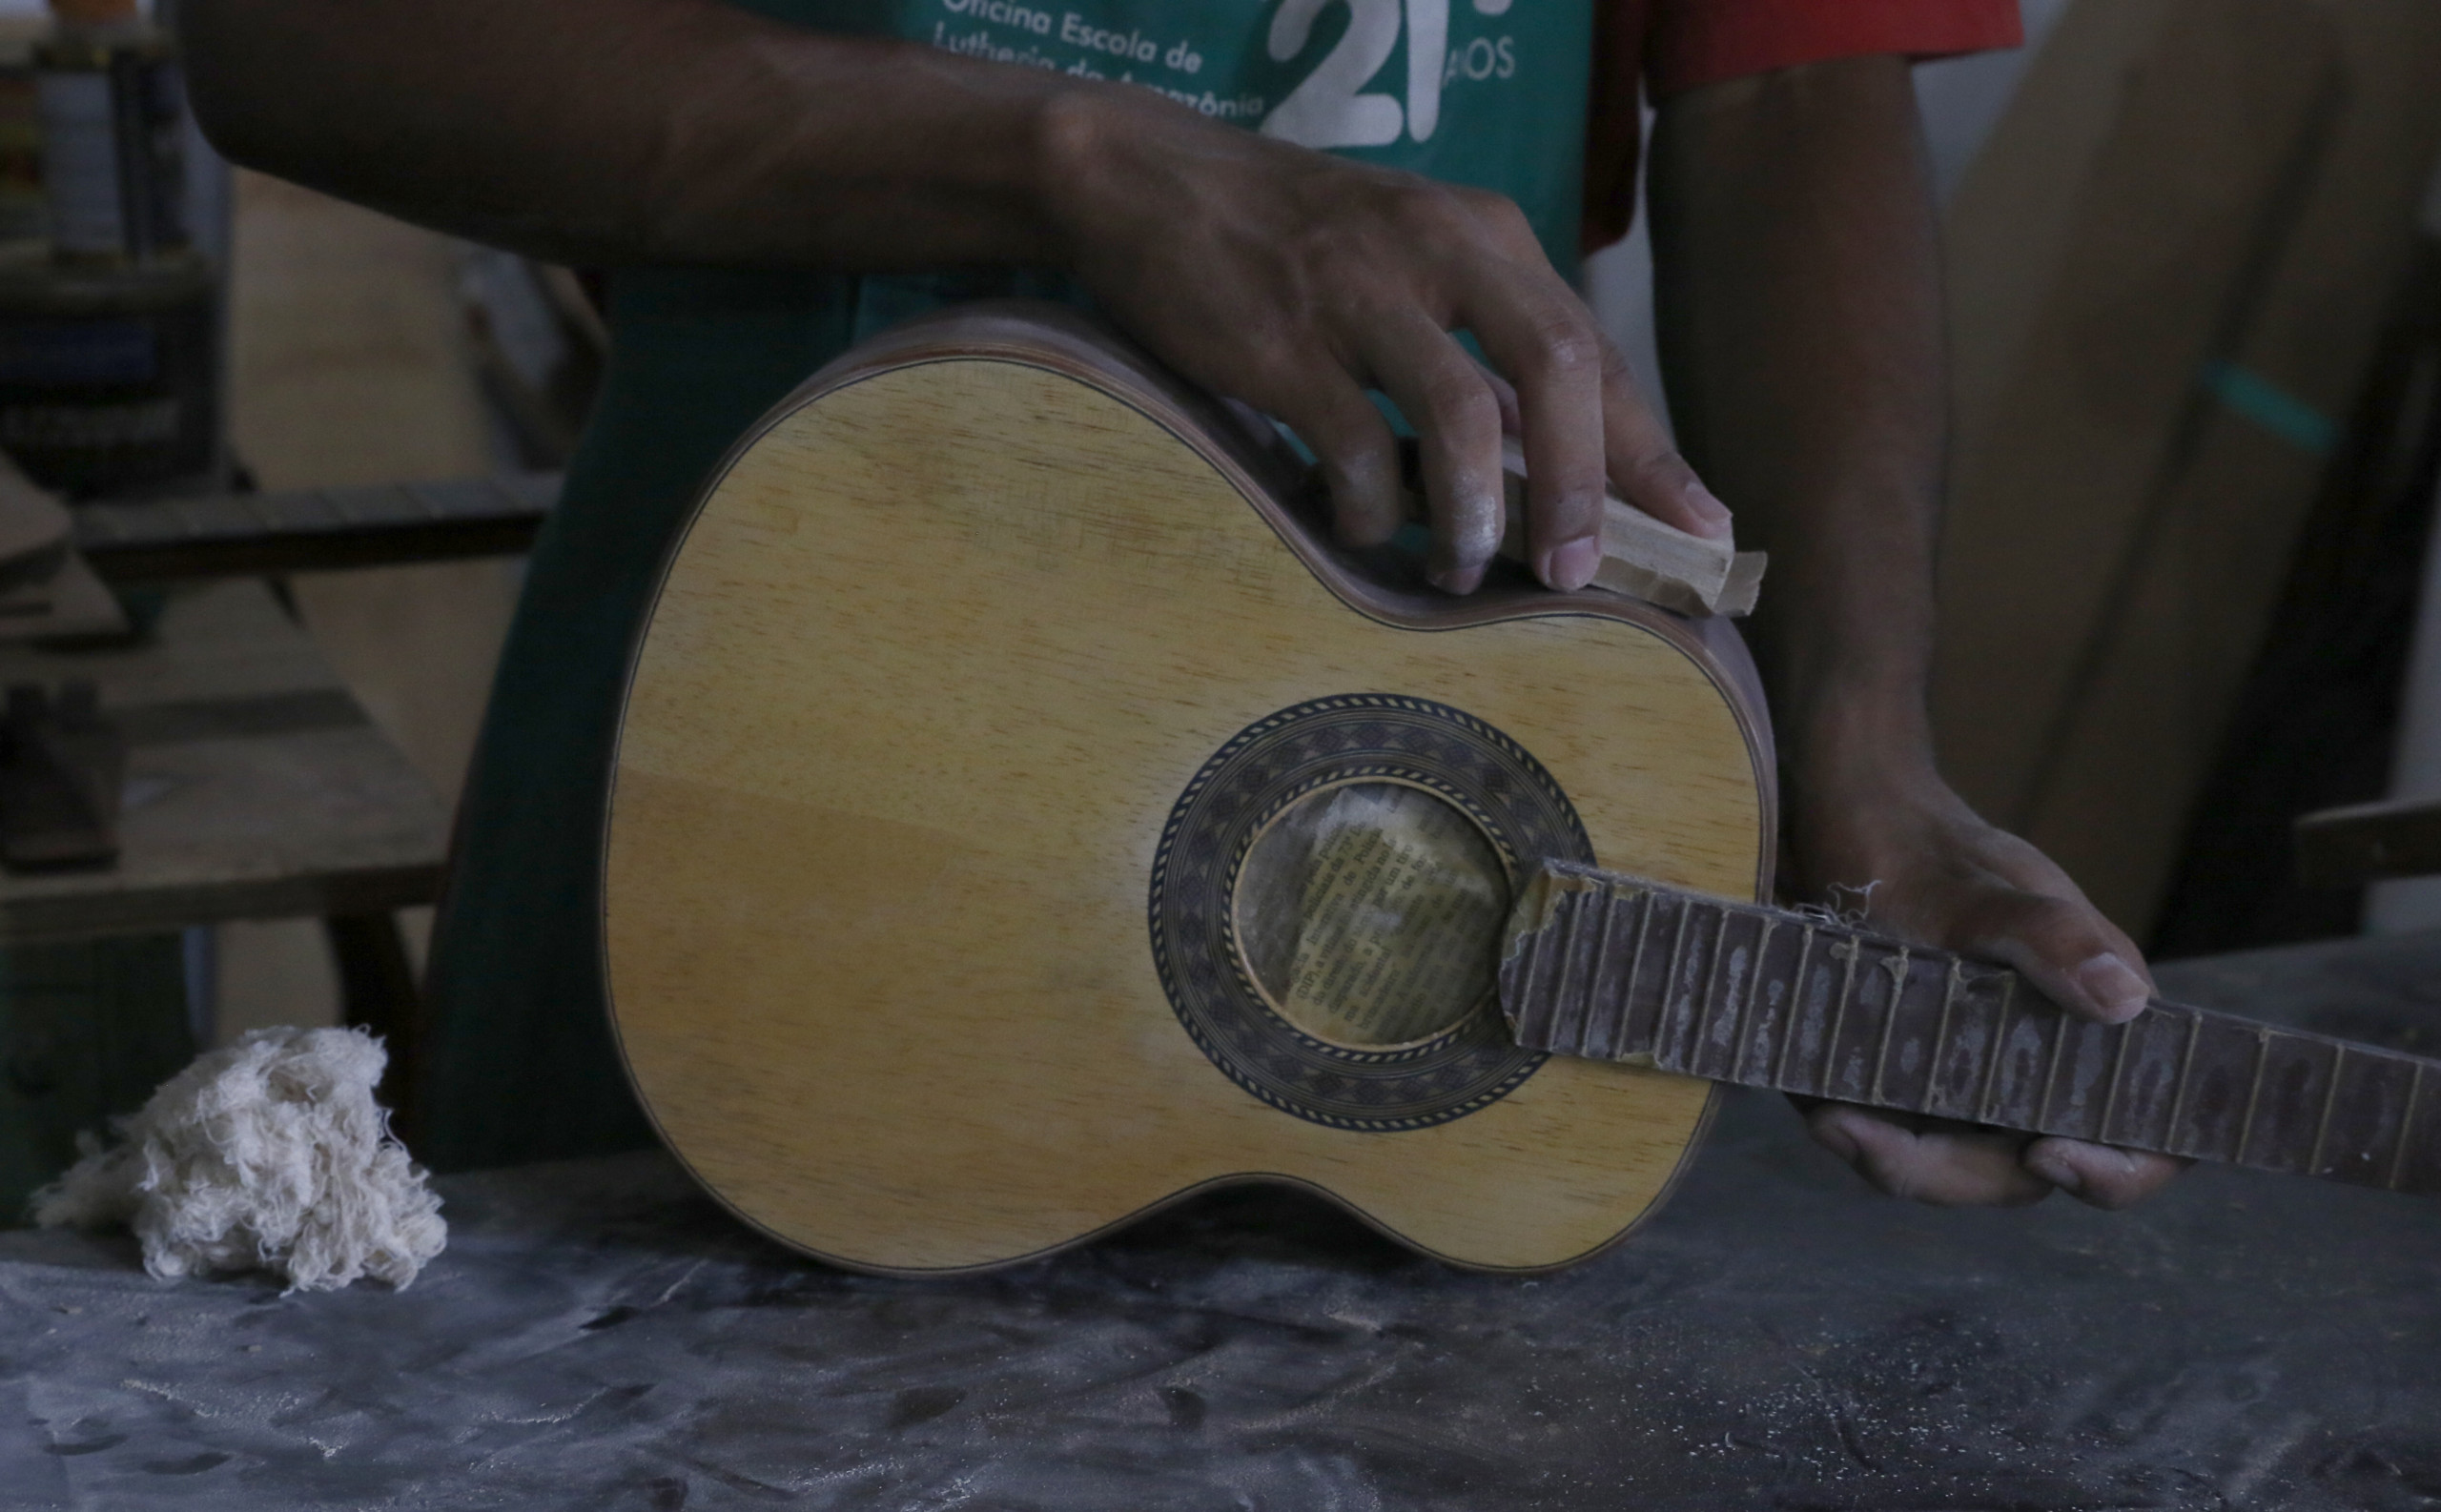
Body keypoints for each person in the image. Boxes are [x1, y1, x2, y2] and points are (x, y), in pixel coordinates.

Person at [184, 0, 2185, 1209]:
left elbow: (1785, 87)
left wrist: (1857, 760)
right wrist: (1071, 164)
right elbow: (299, 36)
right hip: (759, 800)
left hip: (1400, 917)